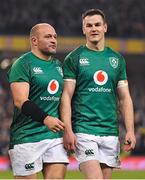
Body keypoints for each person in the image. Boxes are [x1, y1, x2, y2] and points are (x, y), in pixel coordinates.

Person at [60, 9, 136, 179]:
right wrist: (68, 129)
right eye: (89, 25)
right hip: (84, 130)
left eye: (97, 25)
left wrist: (130, 130)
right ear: (83, 30)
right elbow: (66, 96)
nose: (93, 28)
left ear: (105, 27)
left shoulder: (117, 59)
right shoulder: (74, 58)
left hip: (110, 132)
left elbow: (125, 98)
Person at [7, 23, 69, 179]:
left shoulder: (58, 66)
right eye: (48, 36)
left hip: (54, 137)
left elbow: (64, 101)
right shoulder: (23, 64)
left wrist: (68, 130)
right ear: (34, 41)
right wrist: (46, 118)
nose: (53, 40)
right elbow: (20, 101)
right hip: (26, 138)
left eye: (55, 36)